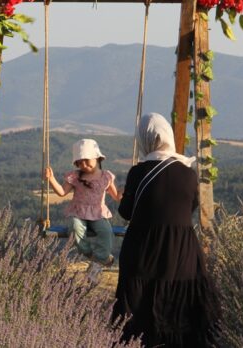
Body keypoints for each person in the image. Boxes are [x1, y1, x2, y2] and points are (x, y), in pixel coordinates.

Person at [113, 113, 221, 347]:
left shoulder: (138, 173)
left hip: (143, 250)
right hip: (183, 251)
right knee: (181, 309)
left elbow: (126, 212)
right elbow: (191, 206)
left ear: (144, 139)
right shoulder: (188, 174)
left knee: (139, 312)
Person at [45, 138, 121, 266]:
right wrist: (51, 179)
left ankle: (101, 258)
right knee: (75, 228)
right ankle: (91, 255)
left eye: (86, 161)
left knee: (106, 232)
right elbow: (62, 192)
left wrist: (127, 190)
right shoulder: (75, 176)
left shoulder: (106, 176)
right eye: (80, 163)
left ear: (97, 158)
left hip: (98, 213)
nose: (84, 165)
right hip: (78, 212)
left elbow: (117, 197)